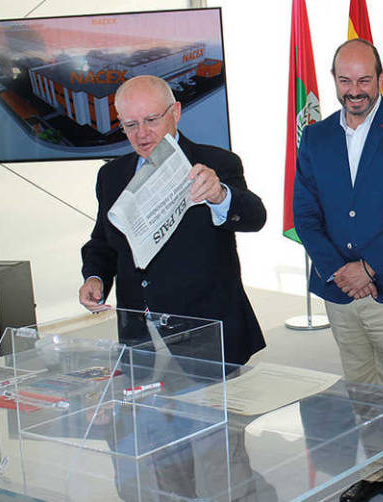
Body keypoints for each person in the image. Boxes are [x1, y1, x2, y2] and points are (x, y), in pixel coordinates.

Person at [292, 39, 383, 502]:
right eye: (344, 80)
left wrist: (369, 266)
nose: (354, 90)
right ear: (333, 80)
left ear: (380, 78)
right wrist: (340, 270)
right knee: (363, 388)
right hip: (340, 290)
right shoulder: (315, 137)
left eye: (364, 80)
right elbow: (305, 213)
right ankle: (378, 471)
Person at [79, 75, 267, 365]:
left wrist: (220, 196)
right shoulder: (111, 175)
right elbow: (103, 242)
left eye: (151, 120)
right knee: (142, 410)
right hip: (139, 337)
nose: (142, 134)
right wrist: (95, 277)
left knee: (217, 410)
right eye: (130, 125)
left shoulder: (217, 162)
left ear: (175, 113)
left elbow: (255, 217)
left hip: (206, 332)